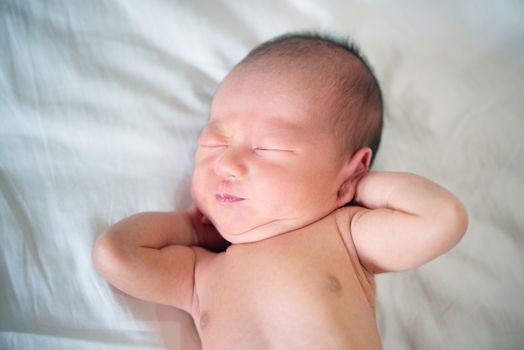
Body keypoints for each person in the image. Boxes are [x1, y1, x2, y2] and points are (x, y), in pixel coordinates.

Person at [92, 33, 468, 349]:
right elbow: (116, 255)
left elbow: (442, 218)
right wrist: (192, 228)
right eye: (213, 144)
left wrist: (354, 186)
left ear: (350, 172)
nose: (225, 164)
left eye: (268, 147)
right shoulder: (199, 273)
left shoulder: (344, 238)